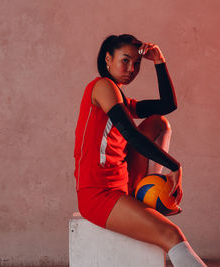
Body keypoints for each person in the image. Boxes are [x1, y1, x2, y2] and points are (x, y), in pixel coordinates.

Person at [74, 34, 207, 267]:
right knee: (171, 235)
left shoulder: (122, 99)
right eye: (125, 60)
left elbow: (168, 104)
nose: (132, 69)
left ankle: (148, 191)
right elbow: (131, 134)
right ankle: (148, 194)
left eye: (136, 63)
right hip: (98, 193)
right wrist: (174, 166)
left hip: (121, 184)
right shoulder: (102, 86)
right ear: (108, 59)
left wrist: (159, 61)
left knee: (158, 122)